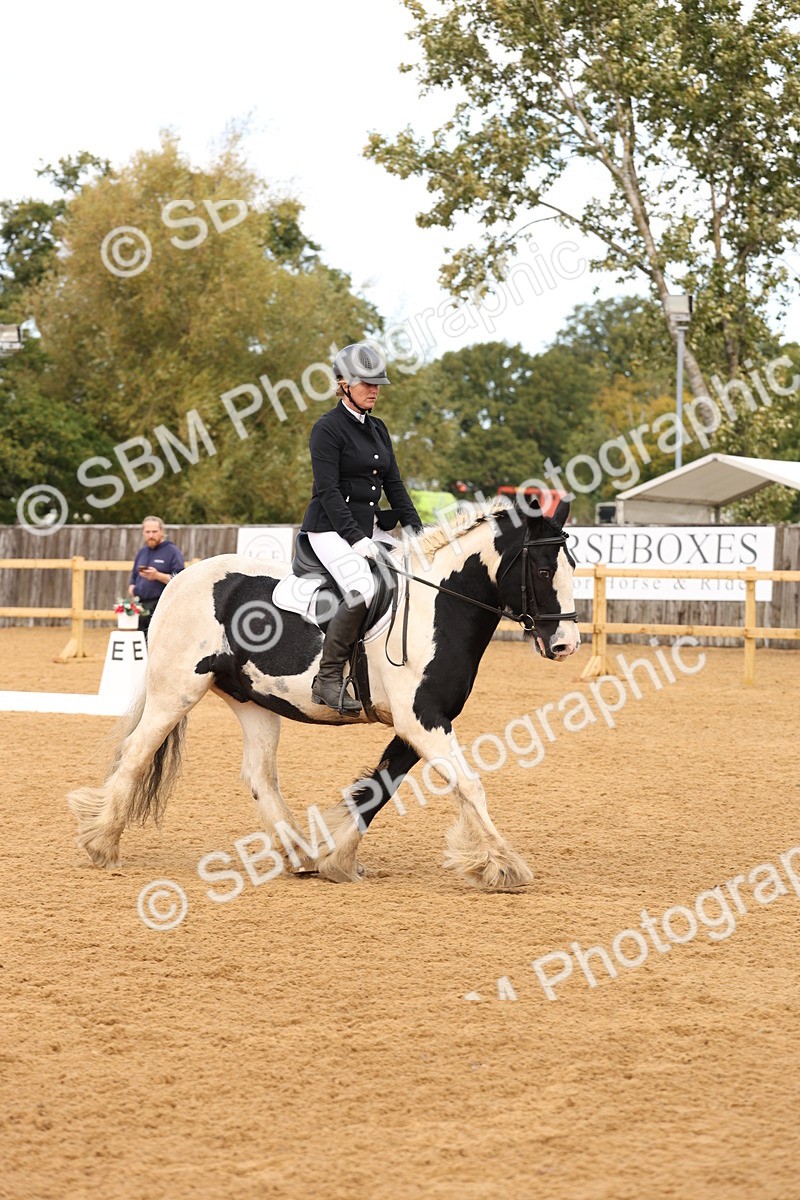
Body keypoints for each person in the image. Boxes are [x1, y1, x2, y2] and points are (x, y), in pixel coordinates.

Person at [301, 343, 422, 714]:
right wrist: (356, 538)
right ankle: (329, 676)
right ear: (343, 383)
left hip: (369, 530)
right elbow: (328, 490)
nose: (374, 390)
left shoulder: (379, 429)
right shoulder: (327, 428)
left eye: (378, 384)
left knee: (416, 575)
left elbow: (395, 485)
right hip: (330, 530)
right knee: (362, 587)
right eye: (366, 383)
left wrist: (416, 530)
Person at [128, 516, 185, 641]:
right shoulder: (142, 552)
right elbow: (134, 575)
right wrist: (132, 587)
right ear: (143, 533)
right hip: (141, 606)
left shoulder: (172, 551)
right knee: (142, 643)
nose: (151, 535)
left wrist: (157, 576)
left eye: (154, 532)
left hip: (162, 606)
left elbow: (181, 580)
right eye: (147, 532)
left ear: (162, 532)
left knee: (159, 643)